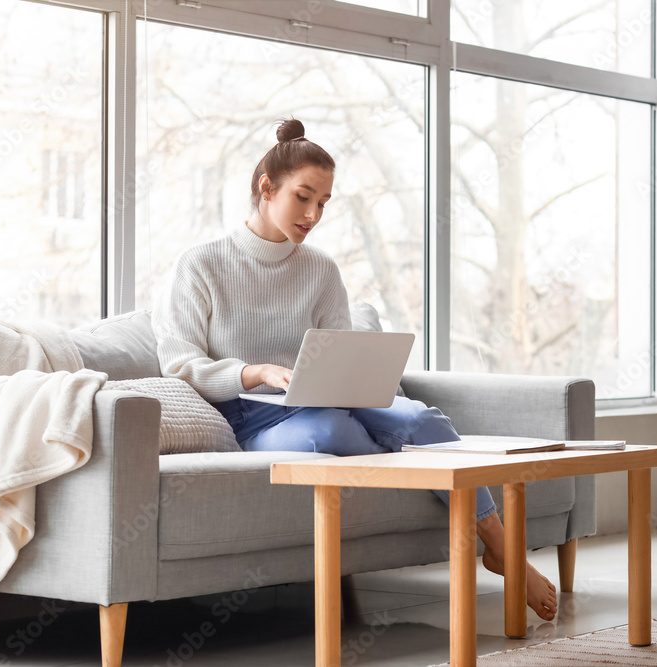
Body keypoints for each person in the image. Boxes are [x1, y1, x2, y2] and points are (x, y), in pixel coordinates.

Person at [151, 118, 557, 621]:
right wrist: (254, 372)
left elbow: (340, 349)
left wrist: (354, 372)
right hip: (251, 413)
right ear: (266, 187)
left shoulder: (321, 270)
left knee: (422, 421)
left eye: (323, 203)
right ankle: (453, 498)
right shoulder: (200, 265)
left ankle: (501, 548)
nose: (313, 214)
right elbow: (181, 365)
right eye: (303, 197)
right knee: (329, 431)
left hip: (329, 394)